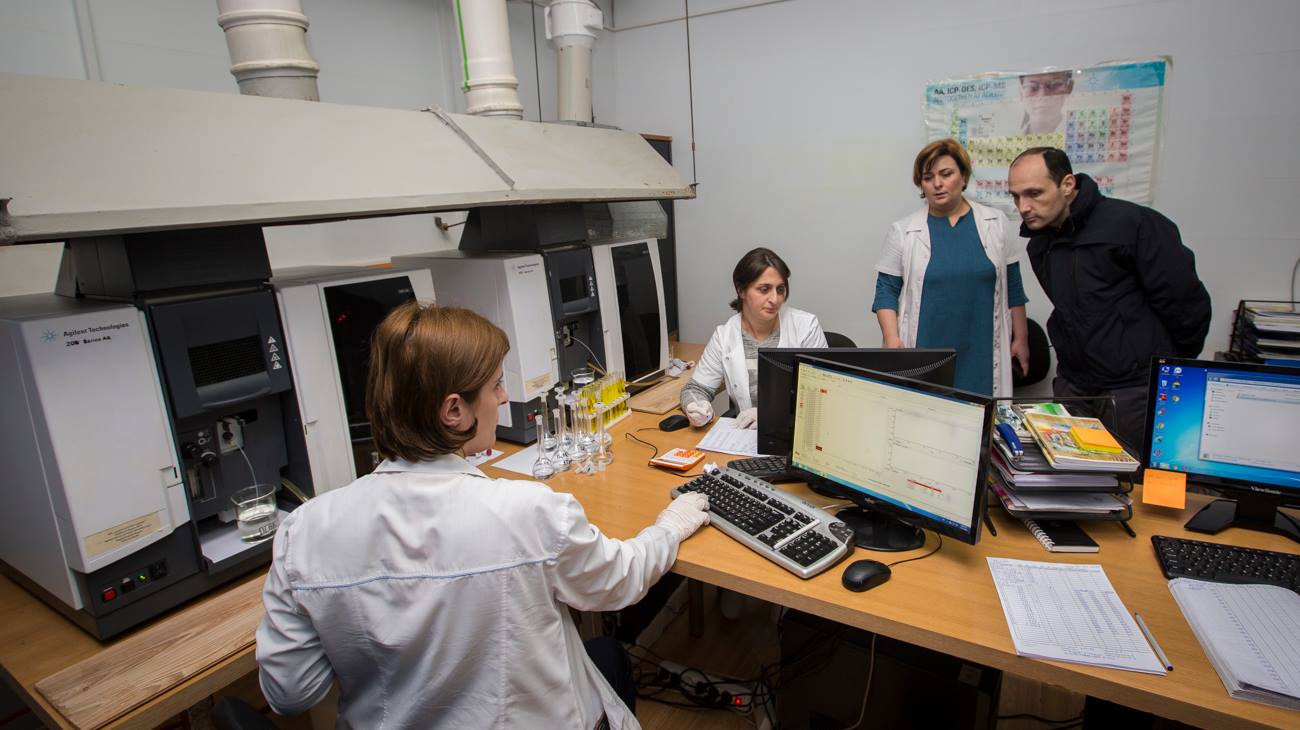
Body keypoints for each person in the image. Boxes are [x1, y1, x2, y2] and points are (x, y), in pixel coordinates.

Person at [256, 302, 711, 729]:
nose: (505, 396)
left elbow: (291, 692)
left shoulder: (304, 533)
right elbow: (618, 581)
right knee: (608, 656)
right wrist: (670, 527)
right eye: (495, 385)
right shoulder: (527, 512)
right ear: (454, 410)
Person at [1007, 147, 1211, 452]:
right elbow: (1072, 309)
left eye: (1034, 193)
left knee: (1131, 475)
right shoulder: (1040, 244)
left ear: (1067, 185)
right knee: (1070, 473)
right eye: (1016, 196)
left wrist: (1155, 369)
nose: (1023, 207)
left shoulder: (1132, 224)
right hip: (1075, 385)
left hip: (1133, 389)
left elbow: (1186, 307)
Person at [873, 138, 1030, 397]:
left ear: (963, 176)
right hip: (926, 349)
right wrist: (892, 341)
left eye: (946, 174)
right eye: (928, 178)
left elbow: (1013, 286)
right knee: (924, 411)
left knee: (983, 411)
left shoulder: (996, 223)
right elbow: (885, 292)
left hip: (981, 349)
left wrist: (1021, 339)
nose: (937, 183)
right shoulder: (903, 231)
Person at [680, 247, 827, 429]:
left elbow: (823, 395)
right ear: (741, 290)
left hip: (796, 433)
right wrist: (696, 406)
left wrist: (771, 414)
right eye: (764, 289)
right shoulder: (724, 336)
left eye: (780, 289)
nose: (775, 299)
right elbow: (696, 389)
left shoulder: (806, 327)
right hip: (745, 436)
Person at [1019, 70, 1074, 135]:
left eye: (1054, 85)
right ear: (1020, 93)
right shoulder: (1011, 136)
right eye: (1032, 87)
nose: (1043, 95)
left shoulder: (1080, 134)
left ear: (1069, 88)